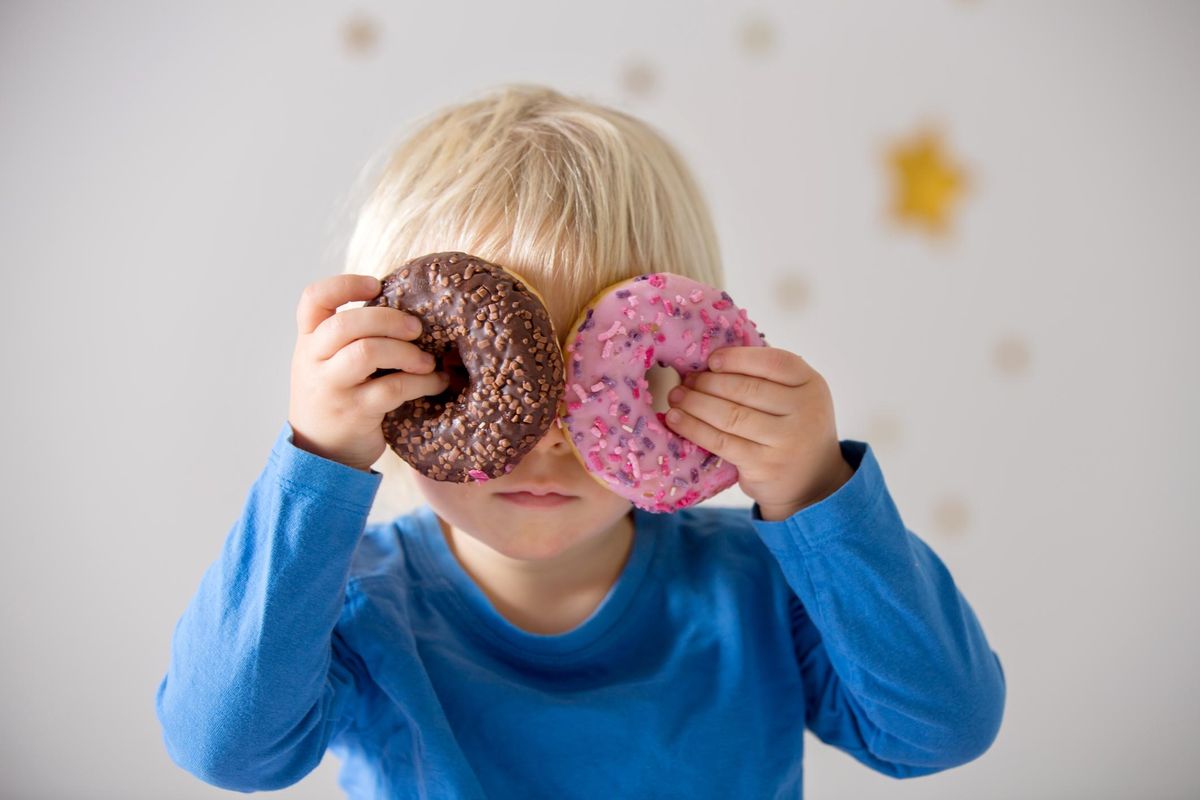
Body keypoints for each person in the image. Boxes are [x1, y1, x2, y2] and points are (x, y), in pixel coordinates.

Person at [155, 83, 1005, 798]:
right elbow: (227, 747)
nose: (548, 438)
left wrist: (817, 489)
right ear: (390, 378)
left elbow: (937, 729)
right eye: (479, 380)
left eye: (606, 379)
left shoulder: (758, 591)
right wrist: (319, 463)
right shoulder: (358, 608)